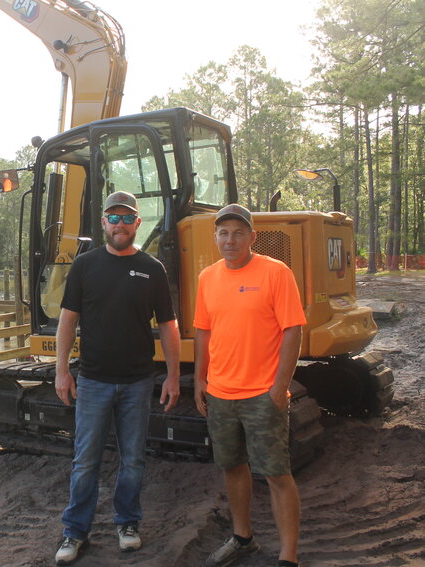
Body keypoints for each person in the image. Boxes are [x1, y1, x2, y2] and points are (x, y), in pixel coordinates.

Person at [53, 190, 181, 565]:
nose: (120, 224)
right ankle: (75, 532)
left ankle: (127, 523)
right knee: (85, 461)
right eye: (114, 217)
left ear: (137, 224)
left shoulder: (153, 269)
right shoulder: (85, 266)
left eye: (127, 218)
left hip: (138, 381)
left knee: (133, 460)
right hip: (92, 380)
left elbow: (169, 327)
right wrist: (62, 370)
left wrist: (173, 376)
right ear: (104, 222)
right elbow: (67, 321)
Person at [193, 204, 306, 567]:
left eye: (238, 233)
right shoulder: (207, 277)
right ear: (215, 238)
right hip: (220, 394)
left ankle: (288, 556)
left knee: (276, 473)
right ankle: (243, 538)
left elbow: (293, 329)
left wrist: (279, 387)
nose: (230, 240)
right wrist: (199, 379)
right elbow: (203, 331)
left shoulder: (276, 272)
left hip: (262, 395)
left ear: (252, 237)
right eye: (223, 233)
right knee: (232, 467)